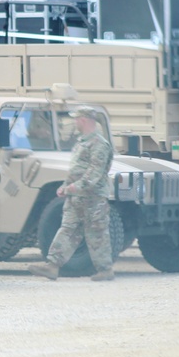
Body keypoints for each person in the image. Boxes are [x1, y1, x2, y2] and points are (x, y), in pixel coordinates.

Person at [29, 105, 115, 281]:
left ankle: (105, 270)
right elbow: (75, 169)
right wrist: (65, 186)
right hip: (75, 197)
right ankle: (52, 266)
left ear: (83, 120)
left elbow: (94, 174)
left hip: (93, 198)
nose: (74, 122)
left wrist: (74, 187)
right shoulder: (81, 142)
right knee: (67, 229)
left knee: (96, 233)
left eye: (76, 119)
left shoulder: (99, 145)